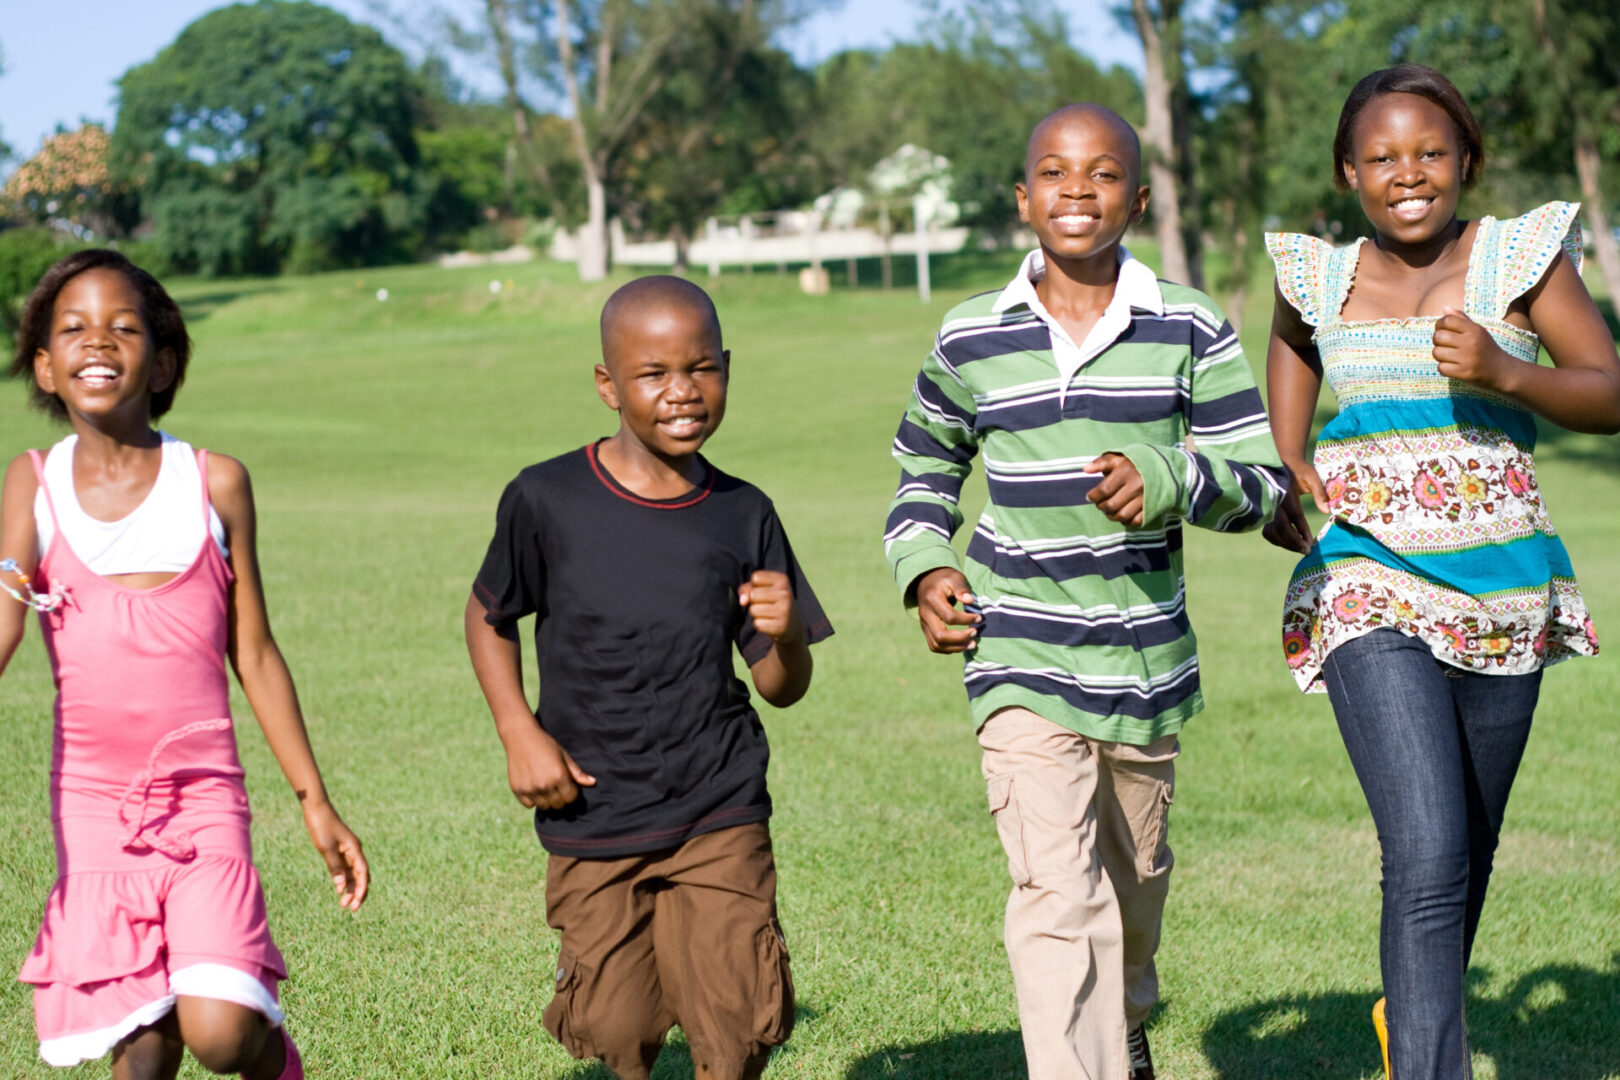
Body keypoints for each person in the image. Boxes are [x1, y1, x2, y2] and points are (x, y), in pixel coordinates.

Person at [882, 104, 1287, 1080]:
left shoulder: (1189, 324)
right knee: (1058, 901)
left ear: (1137, 199)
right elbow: (922, 471)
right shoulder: (972, 336)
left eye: (1102, 173)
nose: (1077, 190)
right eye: (1055, 174)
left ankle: (1127, 1019)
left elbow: (1263, 484)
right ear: (1024, 199)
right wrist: (928, 568)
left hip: (1143, 667)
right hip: (1017, 651)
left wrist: (1170, 475)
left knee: (1133, 888)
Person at [1262, 64, 1620, 1080]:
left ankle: (1411, 1020)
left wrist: (1508, 372)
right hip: (1366, 581)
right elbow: (1292, 342)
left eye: (1429, 152)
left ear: (1465, 160)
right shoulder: (1318, 275)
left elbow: (1608, 390)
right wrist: (1291, 456)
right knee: (1425, 854)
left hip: (1505, 591)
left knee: (1467, 853)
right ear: (1348, 171)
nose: (1406, 173)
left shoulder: (1520, 260)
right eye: (1382, 157)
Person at [0, 250, 370, 1080]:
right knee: (141, 1043)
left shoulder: (215, 483)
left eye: (123, 327)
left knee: (220, 1034)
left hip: (203, 798)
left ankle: (279, 1061)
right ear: (44, 368)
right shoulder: (31, 485)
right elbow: (3, 622)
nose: (98, 341)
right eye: (73, 328)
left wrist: (315, 802)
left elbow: (256, 652)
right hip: (93, 805)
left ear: (163, 362)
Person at [463, 275, 833, 1080]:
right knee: (616, 1027)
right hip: (595, 808)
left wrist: (790, 634)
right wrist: (517, 731)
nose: (683, 392)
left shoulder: (744, 513)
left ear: (727, 368)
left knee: (737, 1026)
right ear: (608, 385)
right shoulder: (545, 498)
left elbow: (780, 685)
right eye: (654, 373)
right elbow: (489, 614)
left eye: (702, 368)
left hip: (718, 803)